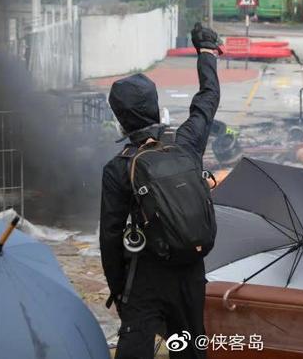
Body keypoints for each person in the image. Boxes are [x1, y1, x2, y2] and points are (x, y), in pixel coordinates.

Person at [100, 23, 221, 359]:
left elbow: (110, 237)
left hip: (146, 277)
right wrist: (207, 52)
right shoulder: (187, 144)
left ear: (121, 119)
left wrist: (119, 291)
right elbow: (207, 100)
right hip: (191, 271)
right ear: (155, 105)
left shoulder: (119, 168)